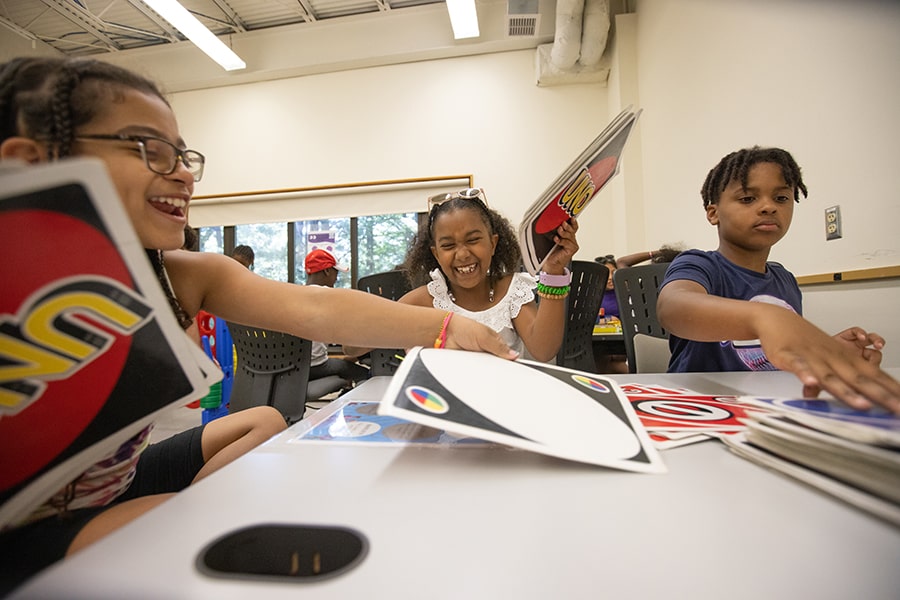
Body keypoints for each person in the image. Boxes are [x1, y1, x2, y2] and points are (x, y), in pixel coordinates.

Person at [0, 56, 516, 592]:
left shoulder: (182, 273)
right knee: (215, 530)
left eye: (182, 154)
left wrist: (445, 328)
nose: (180, 172)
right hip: (31, 526)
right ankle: (175, 533)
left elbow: (318, 308)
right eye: (150, 150)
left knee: (265, 419)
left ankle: (176, 526)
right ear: (32, 162)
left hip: (116, 483)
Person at [656, 145, 900, 414]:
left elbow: (773, 358)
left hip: (766, 410)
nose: (769, 207)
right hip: (700, 408)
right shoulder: (699, 264)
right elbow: (673, 309)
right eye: (748, 199)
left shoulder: (785, 279)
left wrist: (821, 351)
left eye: (781, 198)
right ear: (714, 213)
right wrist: (764, 317)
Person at [347, 188, 579, 362]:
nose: (462, 254)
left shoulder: (512, 291)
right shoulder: (424, 300)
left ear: (493, 242)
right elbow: (352, 348)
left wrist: (554, 271)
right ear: (436, 254)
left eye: (473, 240)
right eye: (448, 246)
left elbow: (544, 350)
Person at [303, 249, 369, 386]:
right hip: (318, 366)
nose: (336, 278)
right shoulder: (330, 295)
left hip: (295, 368)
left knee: (346, 363)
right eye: (336, 273)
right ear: (327, 271)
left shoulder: (296, 294)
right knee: (366, 374)